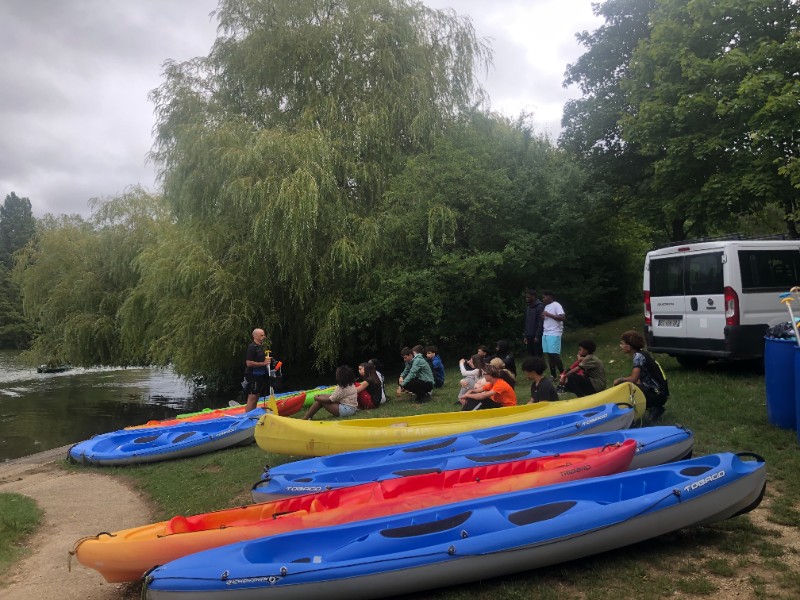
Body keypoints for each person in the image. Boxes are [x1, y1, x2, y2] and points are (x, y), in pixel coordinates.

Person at [612, 330, 668, 420]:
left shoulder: (638, 357)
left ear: (629, 347)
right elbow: (639, 380)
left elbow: (633, 379)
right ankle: (654, 407)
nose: (621, 346)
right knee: (632, 385)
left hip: (657, 395)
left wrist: (619, 380)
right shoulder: (642, 354)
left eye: (622, 344)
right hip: (660, 394)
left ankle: (626, 414)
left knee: (624, 385)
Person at [244, 328, 273, 412]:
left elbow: (260, 359)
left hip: (260, 375)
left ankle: (253, 414)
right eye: (261, 335)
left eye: (264, 335)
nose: (264, 337)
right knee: (252, 396)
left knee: (256, 396)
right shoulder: (252, 347)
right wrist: (263, 363)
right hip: (252, 375)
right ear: (255, 336)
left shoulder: (260, 347)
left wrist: (267, 360)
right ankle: (248, 416)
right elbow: (248, 363)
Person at [541, 290, 566, 379]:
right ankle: (553, 375)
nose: (543, 298)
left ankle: (563, 374)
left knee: (554, 354)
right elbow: (548, 318)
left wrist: (549, 314)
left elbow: (562, 317)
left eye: (544, 297)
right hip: (546, 332)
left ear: (550, 297)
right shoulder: (546, 306)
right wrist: (543, 317)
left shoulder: (556, 305)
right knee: (549, 355)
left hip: (554, 332)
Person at [523, 289, 545, 356]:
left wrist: (537, 335)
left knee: (538, 355)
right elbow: (527, 322)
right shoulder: (528, 307)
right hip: (529, 335)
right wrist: (525, 335)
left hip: (536, 335)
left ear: (533, 296)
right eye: (526, 297)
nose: (526, 298)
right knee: (530, 355)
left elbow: (541, 322)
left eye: (528, 297)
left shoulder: (540, 306)